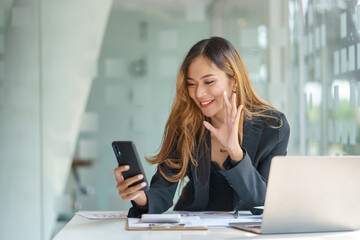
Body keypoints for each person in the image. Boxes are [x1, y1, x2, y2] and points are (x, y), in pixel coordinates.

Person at [114, 36, 290, 217]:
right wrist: (139, 196)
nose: (198, 93)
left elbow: (264, 203)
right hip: (193, 229)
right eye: (191, 84)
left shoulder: (273, 127)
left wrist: (235, 152)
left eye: (209, 82)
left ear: (234, 80)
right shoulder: (186, 122)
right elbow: (163, 189)